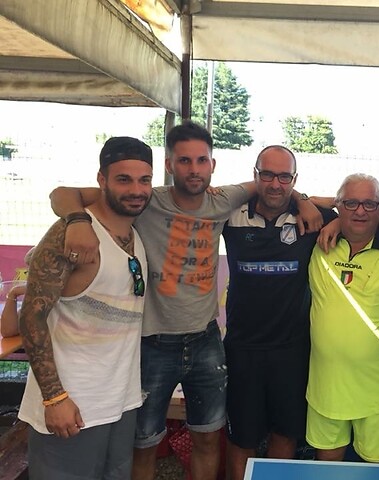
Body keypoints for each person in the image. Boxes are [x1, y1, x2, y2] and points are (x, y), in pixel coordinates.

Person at [50, 123, 322, 480]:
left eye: (201, 161)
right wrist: (76, 221)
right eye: (184, 160)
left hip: (206, 341)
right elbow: (62, 193)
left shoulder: (223, 201)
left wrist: (303, 199)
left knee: (208, 439)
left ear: (212, 165)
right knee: (145, 443)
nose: (194, 169)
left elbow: (278, 187)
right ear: (169, 165)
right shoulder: (146, 199)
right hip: (153, 344)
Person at [18, 136, 153, 479]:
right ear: (101, 180)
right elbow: (32, 316)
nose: (136, 190)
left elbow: (64, 193)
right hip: (71, 404)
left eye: (144, 180)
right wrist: (54, 398)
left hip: (120, 401)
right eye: (123, 179)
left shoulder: (133, 231)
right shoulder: (70, 234)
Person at [222, 145, 336, 480]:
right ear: (255, 175)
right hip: (242, 350)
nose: (275, 184)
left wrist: (315, 207)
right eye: (268, 175)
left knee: (285, 434)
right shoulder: (230, 214)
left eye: (284, 177)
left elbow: (361, 208)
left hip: (292, 351)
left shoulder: (312, 217)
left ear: (294, 179)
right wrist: (302, 198)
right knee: (241, 438)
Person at [306, 173, 379, 463]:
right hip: (326, 389)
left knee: (374, 471)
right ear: (337, 205)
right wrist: (338, 218)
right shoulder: (316, 237)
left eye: (369, 204)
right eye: (351, 203)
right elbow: (299, 199)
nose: (360, 211)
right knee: (327, 470)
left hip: (378, 395)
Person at [0, 247, 35, 337]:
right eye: (29, 271)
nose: (30, 276)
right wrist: (13, 293)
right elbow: (8, 331)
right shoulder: (34, 299)